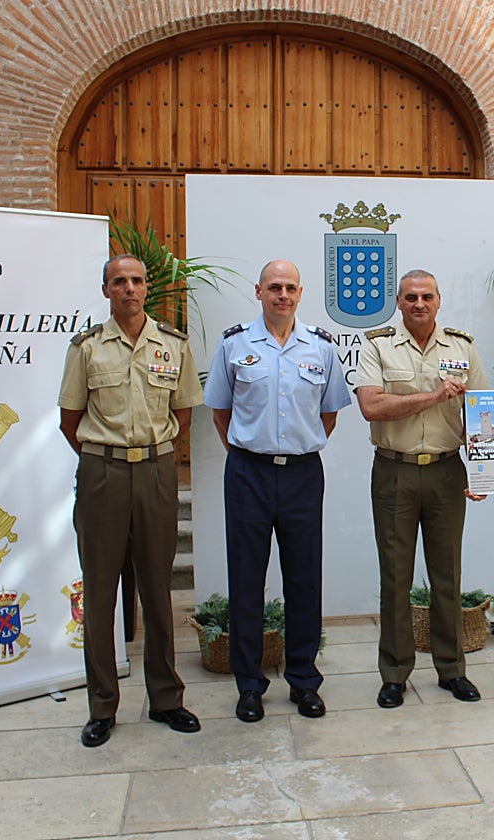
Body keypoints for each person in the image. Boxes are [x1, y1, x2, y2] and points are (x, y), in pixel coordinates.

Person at [58, 253, 204, 748]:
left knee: (157, 588)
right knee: (100, 590)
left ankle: (166, 699)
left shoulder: (174, 346)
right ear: (105, 291)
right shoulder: (87, 349)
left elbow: (183, 414)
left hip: (157, 471)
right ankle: (102, 706)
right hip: (102, 471)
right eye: (119, 281)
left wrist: (150, 454)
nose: (129, 289)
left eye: (137, 281)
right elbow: (69, 421)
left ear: (148, 289)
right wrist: (109, 457)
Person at [204, 259, 351, 723]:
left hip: (303, 475)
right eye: (273, 287)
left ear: (300, 293)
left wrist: (297, 446)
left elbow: (329, 414)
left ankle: (304, 681)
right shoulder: (233, 345)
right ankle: (249, 685)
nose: (282, 295)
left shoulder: (321, 347)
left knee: (305, 579)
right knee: (246, 581)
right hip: (247, 472)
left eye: (289, 287)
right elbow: (221, 412)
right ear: (259, 291)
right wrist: (253, 452)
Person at [355, 269, 488, 709]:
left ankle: (451, 670)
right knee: (396, 577)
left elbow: (482, 411)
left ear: (439, 299)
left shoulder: (462, 346)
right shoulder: (377, 345)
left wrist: (489, 469)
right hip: (395, 471)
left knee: (447, 574)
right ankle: (394, 673)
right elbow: (372, 406)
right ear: (398, 302)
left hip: (447, 472)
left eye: (426, 296)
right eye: (410, 297)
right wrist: (433, 396)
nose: (418, 303)